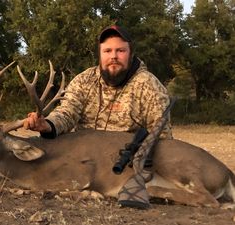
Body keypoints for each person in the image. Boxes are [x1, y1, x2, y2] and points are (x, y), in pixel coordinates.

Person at [24, 25, 173, 209]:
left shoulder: (150, 86)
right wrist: (47, 124)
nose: (114, 56)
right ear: (100, 54)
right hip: (82, 161)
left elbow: (163, 139)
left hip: (122, 164)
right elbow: (67, 111)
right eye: (107, 50)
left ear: (130, 53)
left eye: (120, 50)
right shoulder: (84, 80)